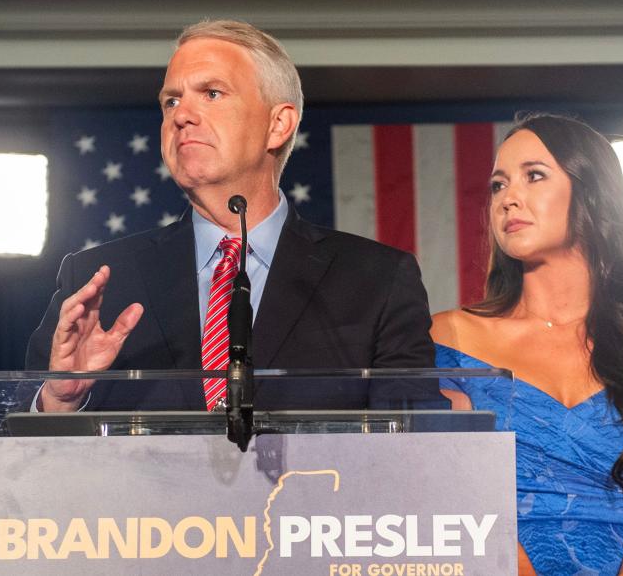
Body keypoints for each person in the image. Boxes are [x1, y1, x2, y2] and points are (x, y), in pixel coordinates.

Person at [26, 20, 438, 412]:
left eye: (212, 93)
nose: (181, 115)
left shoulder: (377, 279)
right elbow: (23, 463)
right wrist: (61, 401)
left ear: (278, 125)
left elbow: (412, 444)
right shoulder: (97, 281)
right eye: (171, 100)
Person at [432, 114, 623, 575]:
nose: (508, 198)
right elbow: (452, 494)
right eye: (498, 185)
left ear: (593, 195)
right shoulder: (448, 336)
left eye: (534, 176)